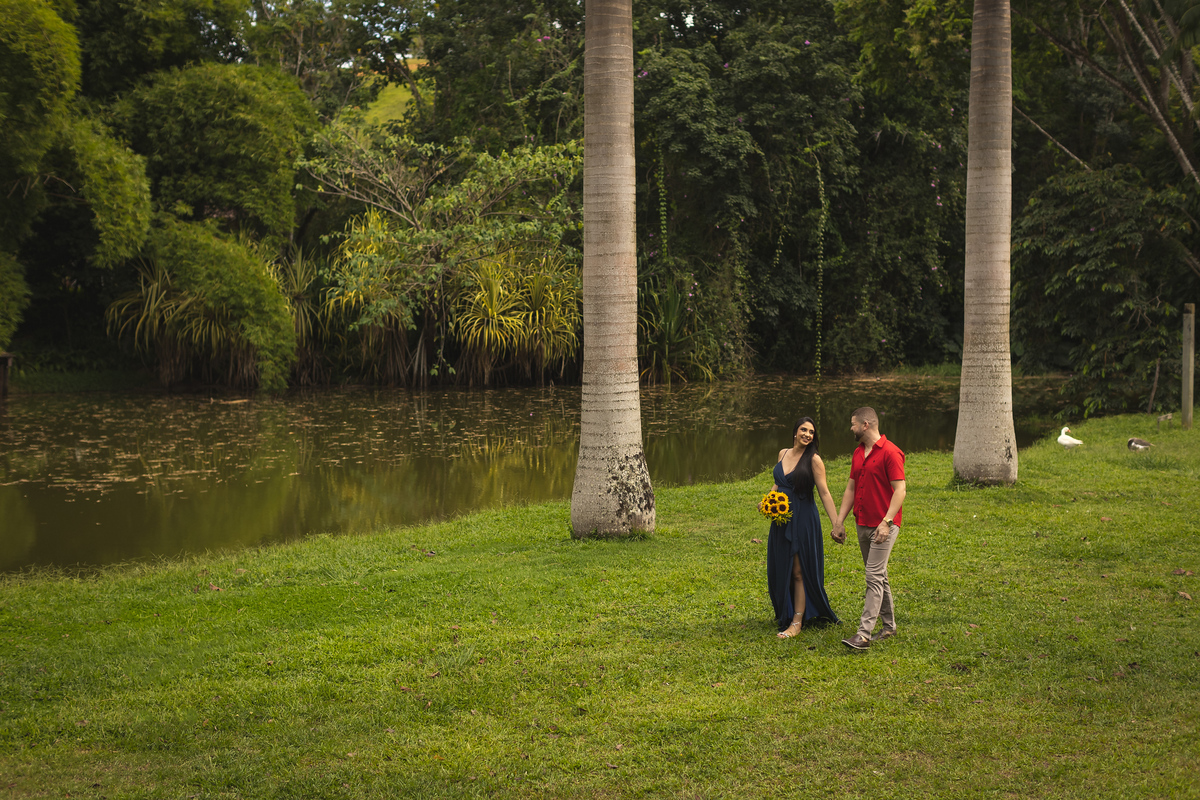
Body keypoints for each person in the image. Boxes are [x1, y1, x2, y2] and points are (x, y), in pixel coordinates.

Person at [832, 407, 906, 650]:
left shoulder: (891, 453)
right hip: (862, 523)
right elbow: (851, 488)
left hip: (883, 525)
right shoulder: (857, 453)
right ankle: (889, 626)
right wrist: (839, 521)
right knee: (879, 575)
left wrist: (886, 521)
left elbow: (900, 490)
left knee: (873, 576)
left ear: (865, 425)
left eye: (853, 424)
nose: (850, 428)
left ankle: (863, 635)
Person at [762, 417, 843, 638]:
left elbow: (824, 492)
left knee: (798, 570)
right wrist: (768, 501)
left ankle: (797, 621)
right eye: (803, 430)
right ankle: (786, 610)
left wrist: (837, 523)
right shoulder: (783, 453)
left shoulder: (814, 460)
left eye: (811, 432)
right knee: (782, 566)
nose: (807, 434)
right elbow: (779, 484)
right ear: (795, 432)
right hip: (781, 520)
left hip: (803, 519)